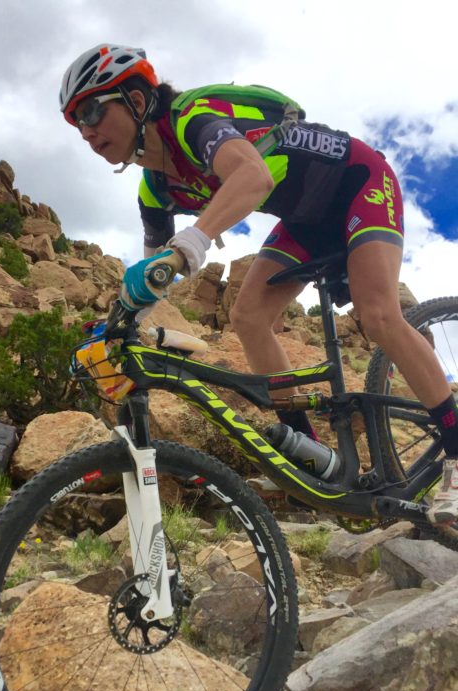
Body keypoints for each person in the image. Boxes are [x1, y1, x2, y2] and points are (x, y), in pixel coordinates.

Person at [60, 43, 458, 525]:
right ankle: (309, 459)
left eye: (92, 110)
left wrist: (192, 242)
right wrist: (119, 325)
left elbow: (252, 177)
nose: (85, 130)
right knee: (247, 317)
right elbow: (154, 278)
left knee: (378, 315)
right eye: (75, 122)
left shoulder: (192, 119)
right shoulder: (153, 189)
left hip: (358, 182)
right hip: (305, 220)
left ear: (138, 101)